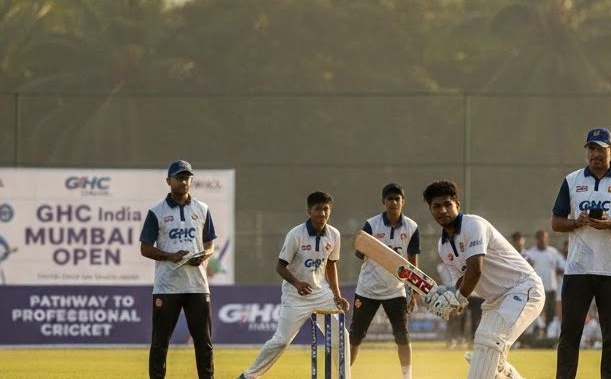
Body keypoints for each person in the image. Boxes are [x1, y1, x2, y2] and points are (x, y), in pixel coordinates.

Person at [422, 180, 544, 379]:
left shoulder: (473, 225)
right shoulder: (443, 246)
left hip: (523, 289)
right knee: (487, 354)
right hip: (495, 301)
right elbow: (461, 281)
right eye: (437, 206)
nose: (443, 210)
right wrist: (447, 298)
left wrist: (457, 299)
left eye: (447, 204)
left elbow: (475, 270)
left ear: (457, 205)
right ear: (431, 210)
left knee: (489, 343)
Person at [551, 127, 611, 379]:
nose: (595, 155)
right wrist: (577, 221)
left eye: (600, 150)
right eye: (591, 149)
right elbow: (556, 222)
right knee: (570, 335)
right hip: (578, 269)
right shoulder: (572, 181)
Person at [237, 191, 349, 379]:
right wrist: (296, 283)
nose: (322, 214)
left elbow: (331, 264)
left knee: (341, 336)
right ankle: (248, 376)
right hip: (295, 296)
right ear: (309, 211)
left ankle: (344, 377)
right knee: (281, 341)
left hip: (321, 294)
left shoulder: (334, 235)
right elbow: (280, 267)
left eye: (326, 209)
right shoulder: (296, 235)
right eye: (318, 209)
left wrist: (337, 295)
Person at [139, 160, 217, 379]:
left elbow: (210, 243)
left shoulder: (202, 209)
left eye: (187, 177)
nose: (184, 181)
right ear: (168, 181)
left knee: (204, 343)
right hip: (167, 286)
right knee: (160, 343)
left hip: (197, 285)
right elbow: (145, 248)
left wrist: (205, 255)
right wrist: (169, 256)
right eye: (179, 177)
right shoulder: (156, 211)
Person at [349, 183, 420, 379]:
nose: (394, 202)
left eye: (397, 199)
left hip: (395, 290)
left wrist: (413, 291)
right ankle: (343, 374)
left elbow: (412, 261)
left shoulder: (412, 227)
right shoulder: (371, 224)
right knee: (355, 337)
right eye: (390, 199)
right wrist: (367, 247)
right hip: (367, 289)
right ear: (383, 202)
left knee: (402, 336)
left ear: (403, 202)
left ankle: (407, 377)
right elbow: (359, 252)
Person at [525, 229, 566, 336]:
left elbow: (563, 267)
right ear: (537, 239)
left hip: (551, 289)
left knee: (550, 314)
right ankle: (538, 334)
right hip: (537, 289)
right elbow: (524, 266)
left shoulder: (553, 252)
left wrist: (558, 270)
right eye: (541, 237)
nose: (543, 240)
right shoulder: (531, 253)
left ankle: (548, 335)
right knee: (537, 313)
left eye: (545, 237)